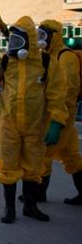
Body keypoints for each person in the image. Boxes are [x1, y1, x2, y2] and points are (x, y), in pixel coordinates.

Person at [0, 16, 66, 224]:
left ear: (30, 41)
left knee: (33, 166)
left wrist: (56, 122)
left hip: (36, 125)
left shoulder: (46, 63)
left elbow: (57, 94)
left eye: (18, 41)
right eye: (12, 41)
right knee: (8, 165)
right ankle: (9, 209)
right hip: (9, 123)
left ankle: (30, 206)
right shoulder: (7, 61)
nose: (13, 46)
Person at [33, 19, 82, 204]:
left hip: (60, 116)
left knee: (44, 153)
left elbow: (69, 90)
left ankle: (38, 193)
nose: (41, 39)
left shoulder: (65, 57)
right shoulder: (46, 55)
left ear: (54, 35)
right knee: (71, 156)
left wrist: (58, 118)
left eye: (44, 35)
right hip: (56, 114)